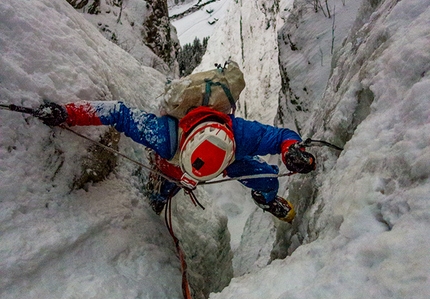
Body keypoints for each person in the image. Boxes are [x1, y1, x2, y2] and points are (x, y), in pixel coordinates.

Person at [34, 100, 316, 222]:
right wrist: (66, 113)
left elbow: (281, 136)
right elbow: (116, 112)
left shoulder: (244, 135)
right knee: (168, 183)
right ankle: (159, 196)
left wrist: (291, 149)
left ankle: (266, 199)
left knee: (265, 178)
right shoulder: (163, 136)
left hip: (226, 159)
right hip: (175, 165)